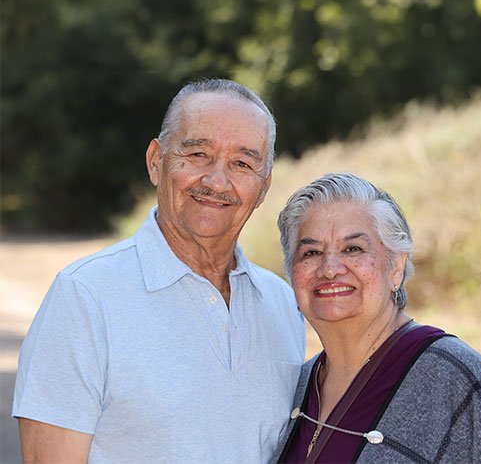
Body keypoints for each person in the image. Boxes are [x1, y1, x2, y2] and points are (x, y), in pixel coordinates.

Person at [12, 79, 306, 463]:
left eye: (242, 163)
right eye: (198, 153)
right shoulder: (84, 296)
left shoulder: (283, 303)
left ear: (263, 186)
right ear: (156, 161)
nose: (217, 181)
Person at [273, 173, 481, 463]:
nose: (329, 269)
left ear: (396, 267)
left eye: (353, 248)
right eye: (311, 252)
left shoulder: (456, 379)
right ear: (292, 273)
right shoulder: (296, 386)